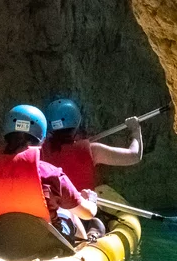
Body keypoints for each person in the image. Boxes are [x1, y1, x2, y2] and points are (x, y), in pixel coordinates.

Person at [0, 104, 98, 245]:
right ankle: (82, 251)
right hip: (45, 244)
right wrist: (90, 200)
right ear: (42, 140)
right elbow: (88, 214)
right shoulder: (50, 174)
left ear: (6, 136)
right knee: (69, 211)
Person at [41, 98, 143, 239]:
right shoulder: (92, 150)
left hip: (49, 213)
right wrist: (135, 131)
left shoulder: (37, 151)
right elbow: (134, 156)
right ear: (77, 122)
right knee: (96, 221)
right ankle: (92, 234)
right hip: (82, 213)